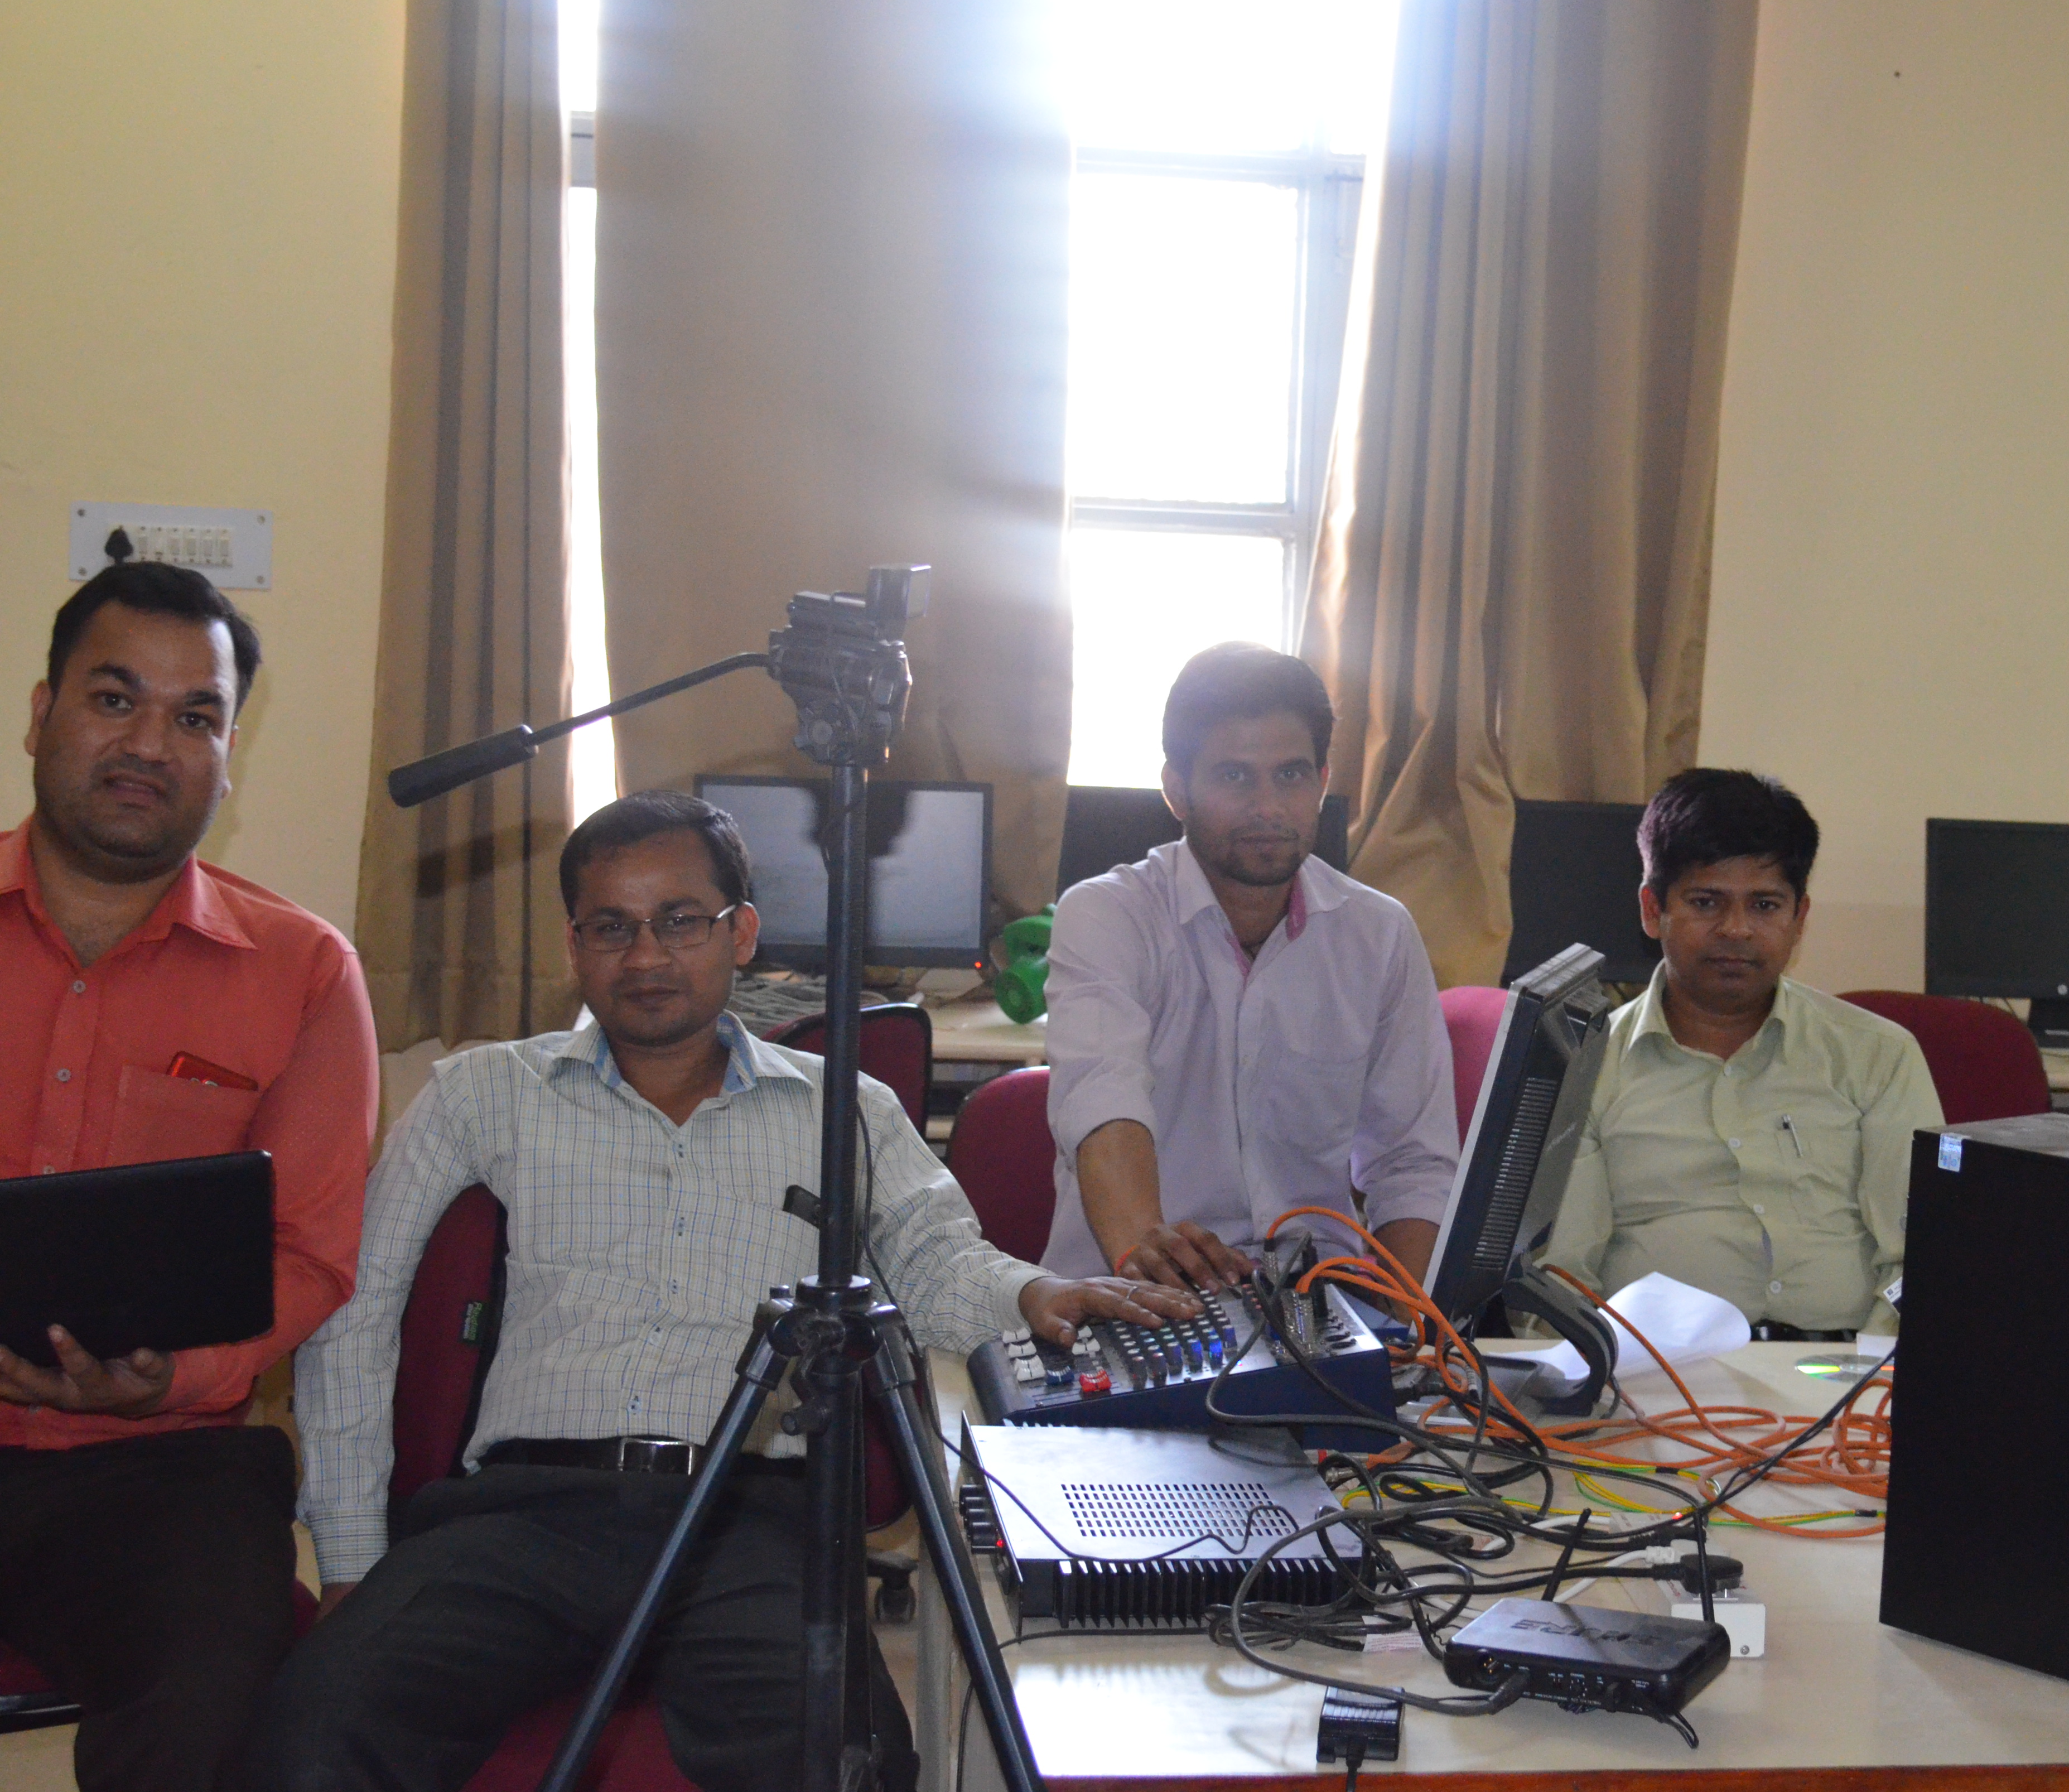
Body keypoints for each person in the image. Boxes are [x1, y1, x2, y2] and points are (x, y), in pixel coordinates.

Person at [244, 792, 1190, 1792]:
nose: (646, 955)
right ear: (573, 944)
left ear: (741, 933)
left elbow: (937, 1263)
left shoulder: (844, 1108)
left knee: (844, 1762)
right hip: (522, 1519)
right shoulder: (485, 1092)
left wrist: (1037, 1295)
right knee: (314, 1729)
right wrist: (349, 1557)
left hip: (749, 1522)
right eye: (612, 926)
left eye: (681, 920)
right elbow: (359, 1303)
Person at [0, 563, 378, 1792]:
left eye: (195, 717)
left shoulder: (304, 971)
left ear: (228, 758)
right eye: (115, 700)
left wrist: (176, 1378)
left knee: (214, 1711)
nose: (150, 745)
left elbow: (311, 1255)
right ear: (43, 715)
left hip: (164, 1465)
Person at [1041, 643, 1458, 1291]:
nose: (1268, 807)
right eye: (1234, 777)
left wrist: (1411, 1332)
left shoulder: (1378, 935)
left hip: (1318, 1301)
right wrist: (1145, 1256)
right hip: (1137, 1291)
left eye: (1290, 775)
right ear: (1176, 791)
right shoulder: (1107, 915)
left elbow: (1411, 1165)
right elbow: (1103, 1098)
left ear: (1322, 781)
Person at [1540, 769, 1941, 1340]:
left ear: (1799, 919)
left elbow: (1919, 1257)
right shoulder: (1586, 1065)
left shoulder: (1878, 1056)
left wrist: (1870, 1373)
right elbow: (1560, 1280)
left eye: (1765, 905)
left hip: (1844, 1368)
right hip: (1654, 1371)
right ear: (1652, 910)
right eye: (1706, 902)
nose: (1736, 930)